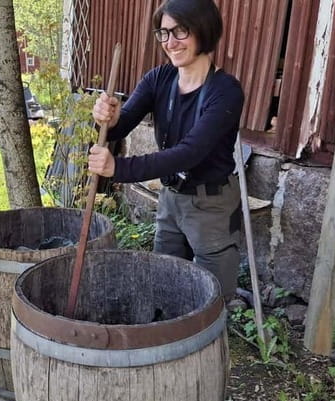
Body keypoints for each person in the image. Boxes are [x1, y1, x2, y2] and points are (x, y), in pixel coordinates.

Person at [88, 0, 244, 301]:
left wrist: (119, 169)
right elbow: (119, 128)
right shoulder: (159, 78)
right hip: (171, 198)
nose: (170, 42)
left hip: (211, 205)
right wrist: (105, 119)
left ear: (203, 30)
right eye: (163, 33)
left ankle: (207, 343)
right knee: (165, 282)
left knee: (212, 297)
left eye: (180, 31)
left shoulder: (225, 91)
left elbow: (190, 153)